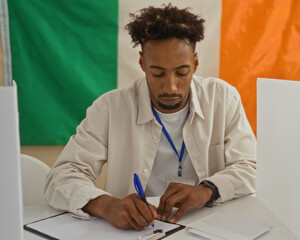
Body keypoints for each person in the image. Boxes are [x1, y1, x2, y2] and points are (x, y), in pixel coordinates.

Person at [44, 4, 256, 231]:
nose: (170, 87)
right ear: (142, 63)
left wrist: (207, 189)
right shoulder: (111, 107)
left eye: (182, 72)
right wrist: (105, 205)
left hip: (208, 229)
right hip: (135, 232)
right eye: (158, 73)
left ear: (195, 63)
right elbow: (60, 177)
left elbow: (251, 167)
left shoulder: (223, 98)